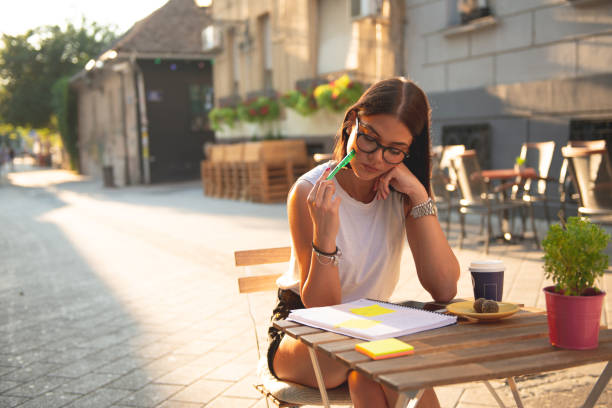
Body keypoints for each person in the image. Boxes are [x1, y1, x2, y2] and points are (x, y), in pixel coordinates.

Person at [267, 77, 460, 408]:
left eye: (395, 150)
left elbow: (444, 289)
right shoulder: (308, 192)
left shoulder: (403, 192)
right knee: (373, 359)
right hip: (304, 332)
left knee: (371, 369)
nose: (376, 158)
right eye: (370, 138)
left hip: (372, 331)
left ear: (409, 151)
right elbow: (322, 311)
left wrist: (419, 195)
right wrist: (325, 234)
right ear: (352, 124)